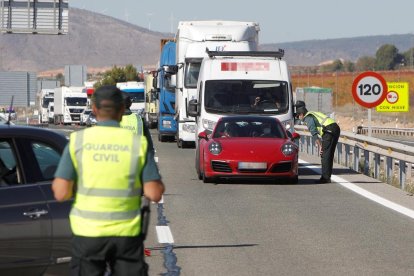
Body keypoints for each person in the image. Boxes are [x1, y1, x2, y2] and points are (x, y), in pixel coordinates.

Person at [52, 85, 165, 276]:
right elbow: (154, 193)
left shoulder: (78, 141)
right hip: (126, 236)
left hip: (88, 235)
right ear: (122, 109)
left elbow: (61, 193)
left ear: (94, 110)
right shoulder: (137, 143)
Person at [295, 100, 340, 184]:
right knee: (329, 154)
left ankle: (325, 178)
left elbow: (314, 133)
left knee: (324, 155)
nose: (298, 118)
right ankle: (327, 176)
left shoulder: (307, 118)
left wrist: (320, 147)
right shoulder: (312, 113)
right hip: (335, 128)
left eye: (298, 116)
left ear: (301, 114)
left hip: (328, 130)